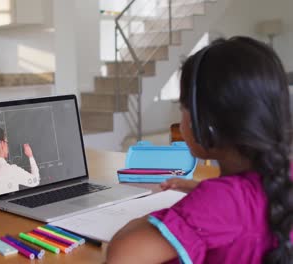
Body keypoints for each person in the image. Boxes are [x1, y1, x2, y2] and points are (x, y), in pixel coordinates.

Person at [106, 37, 293, 264]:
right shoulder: (281, 178)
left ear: (206, 122)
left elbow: (122, 257)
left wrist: (181, 212)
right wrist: (202, 192)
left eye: (182, 106)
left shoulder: (221, 202)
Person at [0, 126, 40, 196]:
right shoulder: (12, 171)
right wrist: (30, 156)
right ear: (2, 144)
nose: (8, 146)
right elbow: (35, 181)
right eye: (7, 142)